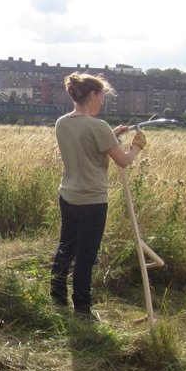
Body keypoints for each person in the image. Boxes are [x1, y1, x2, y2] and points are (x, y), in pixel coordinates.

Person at [51, 72, 147, 321]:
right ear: (92, 95)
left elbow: (87, 144)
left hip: (68, 194)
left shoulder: (62, 122)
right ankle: (82, 309)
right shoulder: (98, 126)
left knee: (66, 248)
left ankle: (57, 297)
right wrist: (137, 146)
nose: (102, 102)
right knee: (85, 256)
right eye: (101, 96)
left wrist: (111, 135)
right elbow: (123, 161)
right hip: (92, 200)